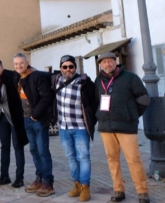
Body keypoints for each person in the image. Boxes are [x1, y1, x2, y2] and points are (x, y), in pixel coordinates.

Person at [95, 52, 151, 203]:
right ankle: (118, 190)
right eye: (104, 62)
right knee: (112, 159)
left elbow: (144, 99)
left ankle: (142, 192)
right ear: (100, 65)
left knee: (133, 159)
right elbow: (95, 101)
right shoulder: (99, 80)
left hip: (126, 126)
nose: (107, 64)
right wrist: (99, 115)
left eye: (110, 61)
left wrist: (131, 115)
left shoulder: (130, 78)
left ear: (116, 62)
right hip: (106, 126)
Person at [52, 55, 97, 202]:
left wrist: (91, 121)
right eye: (65, 66)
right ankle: (76, 184)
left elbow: (94, 103)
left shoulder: (84, 83)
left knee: (83, 157)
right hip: (63, 127)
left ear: (75, 67)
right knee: (70, 157)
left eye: (71, 66)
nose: (68, 69)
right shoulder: (55, 80)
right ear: (60, 68)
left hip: (80, 127)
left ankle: (85, 186)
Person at [14, 53, 55, 197]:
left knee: (43, 151)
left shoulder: (36, 76)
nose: (19, 66)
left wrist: (35, 115)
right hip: (27, 120)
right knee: (34, 150)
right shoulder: (20, 78)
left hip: (38, 120)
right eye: (16, 64)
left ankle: (48, 183)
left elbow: (46, 97)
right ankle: (39, 178)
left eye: (21, 63)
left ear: (27, 62)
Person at [0, 58, 28, 188]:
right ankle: (4, 176)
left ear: (2, 67)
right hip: (1, 118)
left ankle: (19, 177)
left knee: (18, 146)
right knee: (4, 147)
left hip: (14, 117)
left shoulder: (12, 76)